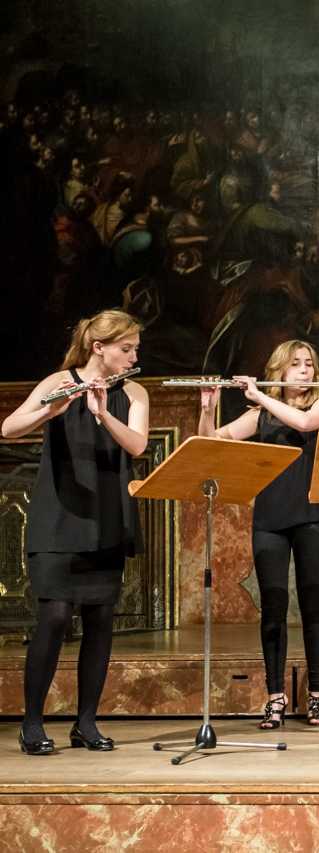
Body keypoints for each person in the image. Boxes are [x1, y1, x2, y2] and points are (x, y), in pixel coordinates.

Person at [3, 310, 149, 754]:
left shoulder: (134, 392)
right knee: (54, 616)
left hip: (107, 515)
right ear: (98, 347)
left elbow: (138, 445)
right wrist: (52, 408)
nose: (133, 356)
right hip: (60, 515)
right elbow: (8, 428)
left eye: (135, 349)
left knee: (100, 620)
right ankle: (32, 722)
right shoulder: (57, 382)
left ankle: (86, 723)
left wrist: (103, 414)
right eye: (126, 349)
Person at [197, 340, 319, 728]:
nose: (305, 370)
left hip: (312, 516)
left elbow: (304, 425)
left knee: (312, 602)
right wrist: (207, 407)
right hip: (269, 519)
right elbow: (211, 441)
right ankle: (275, 697)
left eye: (309, 364)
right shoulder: (260, 415)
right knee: (273, 606)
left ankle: (316, 695)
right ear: (279, 370)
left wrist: (260, 396)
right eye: (296, 364)